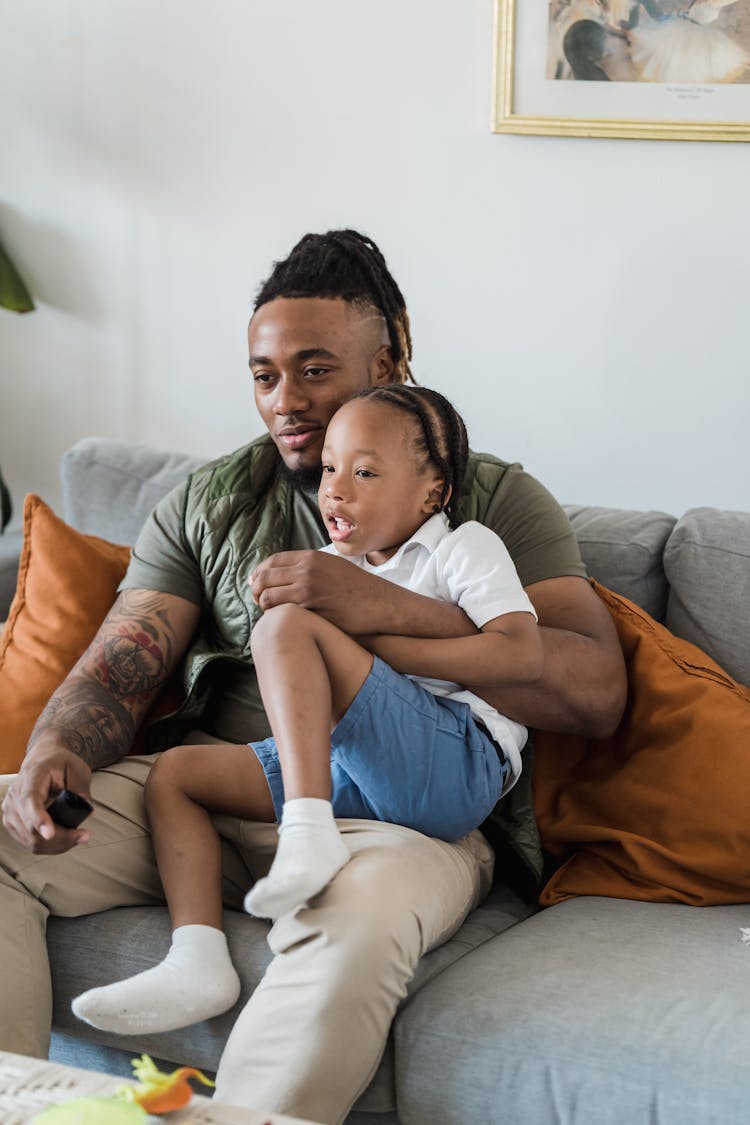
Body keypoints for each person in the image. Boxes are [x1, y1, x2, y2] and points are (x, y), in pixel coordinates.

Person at [0, 228, 627, 1125]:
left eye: (316, 370)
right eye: (265, 375)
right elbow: (119, 663)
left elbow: (594, 689)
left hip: (400, 811)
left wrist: (374, 608)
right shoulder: (209, 503)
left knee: (356, 923)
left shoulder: (483, 501)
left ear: (389, 360)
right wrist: (54, 746)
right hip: (236, 781)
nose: (287, 402)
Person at [69, 384, 542, 1036]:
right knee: (177, 774)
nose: (336, 490)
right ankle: (198, 959)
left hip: (453, 763)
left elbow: (523, 655)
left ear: (433, 492)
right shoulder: (327, 565)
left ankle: (306, 830)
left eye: (366, 472)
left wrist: (368, 642)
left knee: (284, 627)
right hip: (355, 763)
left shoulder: (463, 547)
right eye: (329, 468)